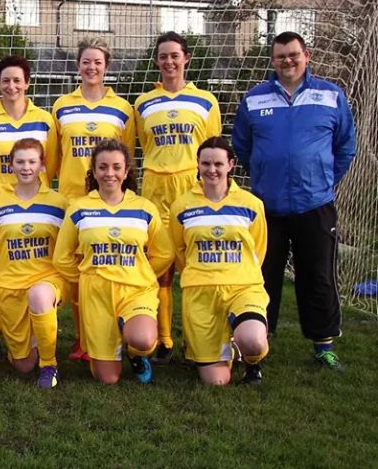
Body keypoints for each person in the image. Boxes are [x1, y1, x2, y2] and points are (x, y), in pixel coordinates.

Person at [232, 31, 357, 370]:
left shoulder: (330, 96)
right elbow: (242, 146)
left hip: (315, 204)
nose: (288, 61)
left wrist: (323, 179)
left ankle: (324, 344)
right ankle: (260, 339)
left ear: (307, 56)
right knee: (263, 275)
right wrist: (264, 173)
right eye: (281, 56)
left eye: (293, 55)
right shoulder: (255, 99)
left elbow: (345, 146)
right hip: (267, 206)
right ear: (272, 61)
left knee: (317, 275)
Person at [53, 139, 173, 385]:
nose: (110, 173)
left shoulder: (143, 208)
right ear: (94, 172)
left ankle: (136, 353)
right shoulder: (80, 208)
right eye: (103, 167)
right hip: (96, 295)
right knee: (107, 379)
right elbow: (61, 257)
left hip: (135, 290)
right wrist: (87, 276)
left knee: (143, 339)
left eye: (117, 167)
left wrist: (143, 273)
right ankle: (116, 342)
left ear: (126, 171)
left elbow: (165, 252)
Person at [134, 32, 223, 364]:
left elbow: (211, 146)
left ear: (187, 59)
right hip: (156, 189)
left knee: (195, 267)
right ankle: (164, 339)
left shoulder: (205, 101)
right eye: (163, 56)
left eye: (174, 56)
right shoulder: (143, 103)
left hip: (190, 189)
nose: (169, 62)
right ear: (156, 61)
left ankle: (197, 338)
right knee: (160, 267)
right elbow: (143, 144)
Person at [0, 55, 59, 361]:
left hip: (34, 203)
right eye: (6, 80)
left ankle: (40, 326)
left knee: (37, 263)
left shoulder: (45, 120)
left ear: (27, 83)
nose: (11, 86)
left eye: (17, 80)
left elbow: (53, 163)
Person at [52, 38, 136, 362]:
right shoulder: (61, 105)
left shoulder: (122, 109)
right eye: (86, 62)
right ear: (78, 66)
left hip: (107, 199)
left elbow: (124, 157)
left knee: (103, 268)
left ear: (106, 66)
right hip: (72, 198)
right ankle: (81, 338)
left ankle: (110, 332)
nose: (92, 68)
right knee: (75, 269)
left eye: (98, 62)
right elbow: (53, 155)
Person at [169, 137, 269, 385]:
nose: (211, 170)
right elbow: (180, 250)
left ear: (231, 164)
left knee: (254, 341)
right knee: (216, 381)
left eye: (218, 164)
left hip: (242, 287)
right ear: (198, 164)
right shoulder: (182, 206)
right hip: (200, 292)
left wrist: (238, 273)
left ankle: (252, 362)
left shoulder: (251, 204)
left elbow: (258, 249)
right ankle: (225, 349)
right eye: (205, 163)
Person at [0, 138, 69, 389]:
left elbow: (66, 248)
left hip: (47, 278)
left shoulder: (59, 203)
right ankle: (32, 342)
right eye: (20, 161)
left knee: (40, 296)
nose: (26, 167)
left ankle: (49, 364)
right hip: (10, 284)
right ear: (11, 165)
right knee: (23, 365)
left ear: (42, 165)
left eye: (32, 161)